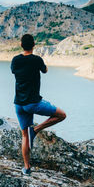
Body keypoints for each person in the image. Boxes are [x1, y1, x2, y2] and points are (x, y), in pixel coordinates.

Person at [10, 34, 66, 175]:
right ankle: (35, 130)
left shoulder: (15, 60)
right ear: (34, 45)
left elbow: (14, 71)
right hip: (33, 103)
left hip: (19, 104)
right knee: (61, 115)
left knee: (24, 136)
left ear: (21, 45)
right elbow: (45, 70)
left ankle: (27, 168)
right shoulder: (37, 60)